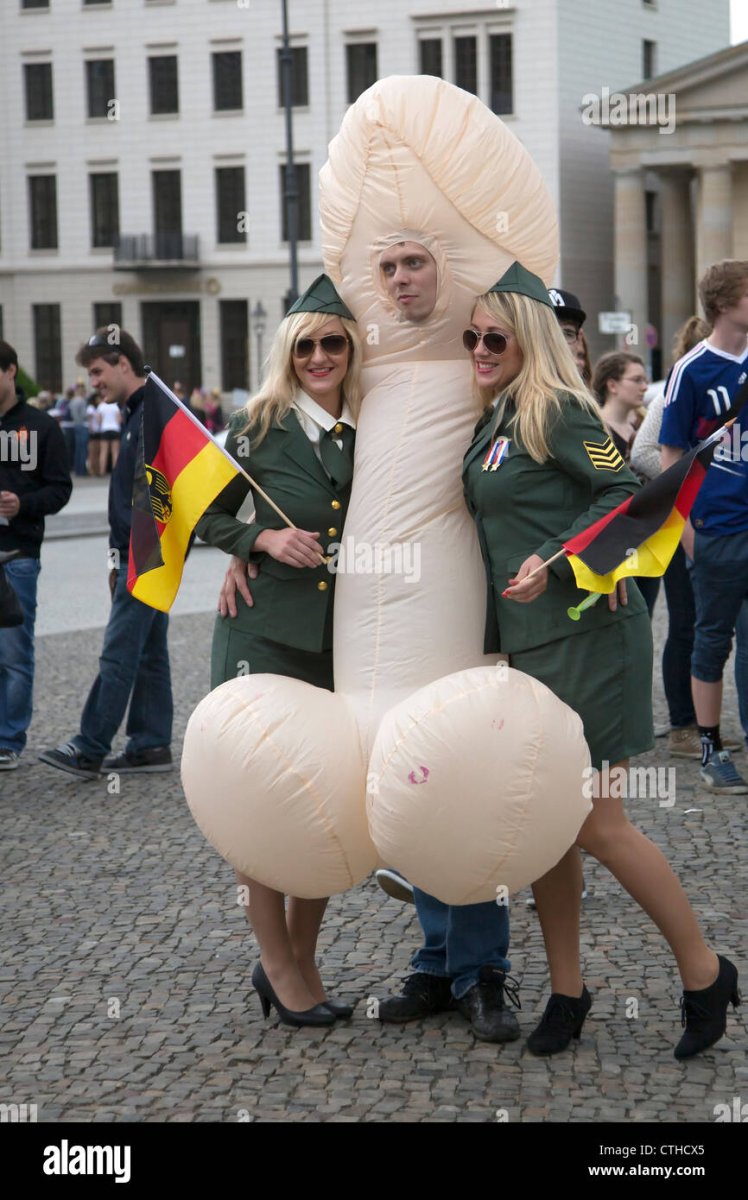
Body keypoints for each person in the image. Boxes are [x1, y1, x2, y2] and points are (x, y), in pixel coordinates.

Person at [460, 262, 739, 1060]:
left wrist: (554, 558)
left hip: (584, 635)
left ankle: (704, 970)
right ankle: (569, 993)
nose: (479, 348)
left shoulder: (550, 407)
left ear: (531, 341)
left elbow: (623, 492)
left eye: (495, 337)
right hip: (532, 646)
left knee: (597, 824)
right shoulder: (499, 415)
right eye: (471, 336)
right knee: (550, 830)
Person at [195, 276, 363, 1029]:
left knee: (324, 803)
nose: (320, 356)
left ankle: (304, 954)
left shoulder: (370, 427)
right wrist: (257, 539)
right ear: (286, 353)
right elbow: (196, 511)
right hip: (262, 634)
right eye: (306, 345)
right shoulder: (256, 423)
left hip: (341, 642)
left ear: (351, 349)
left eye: (333, 343)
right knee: (261, 804)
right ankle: (275, 962)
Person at [39, 329, 174, 779]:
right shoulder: (139, 411)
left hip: (148, 553)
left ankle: (90, 746)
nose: (93, 381)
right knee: (149, 652)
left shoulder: (153, 412)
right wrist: (115, 560)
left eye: (97, 371)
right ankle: (150, 744)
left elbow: (153, 495)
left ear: (121, 362)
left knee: (118, 652)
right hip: (141, 554)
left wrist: (131, 560)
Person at [631, 315, 742, 760]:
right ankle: (684, 725)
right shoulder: (679, 390)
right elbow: (645, 452)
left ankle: (702, 723)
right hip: (686, 523)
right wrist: (698, 490)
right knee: (687, 625)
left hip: (722, 522)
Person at [660, 259, 748, 794]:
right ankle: (711, 746)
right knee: (711, 641)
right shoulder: (691, 370)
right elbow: (670, 455)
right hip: (715, 529)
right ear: (724, 305)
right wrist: (689, 535)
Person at [0, 340, 72, 769]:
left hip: (19, 553)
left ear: (11, 371)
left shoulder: (42, 427)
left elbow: (60, 489)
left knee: (13, 651)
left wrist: (22, 504)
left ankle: (8, 739)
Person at [592, 350, 649, 459]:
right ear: (612, 385)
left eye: (645, 381)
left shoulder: (640, 424)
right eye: (637, 380)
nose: (645, 387)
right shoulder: (596, 429)